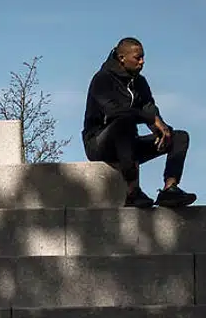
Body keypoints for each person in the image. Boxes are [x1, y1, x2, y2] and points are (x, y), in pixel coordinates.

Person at [82, 37, 197, 209]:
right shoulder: (102, 79)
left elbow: (149, 109)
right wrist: (150, 119)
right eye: (138, 58)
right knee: (124, 121)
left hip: (128, 143)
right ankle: (132, 191)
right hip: (99, 144)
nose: (142, 62)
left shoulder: (140, 82)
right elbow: (114, 112)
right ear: (122, 58)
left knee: (179, 137)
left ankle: (170, 189)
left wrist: (162, 129)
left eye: (143, 57)